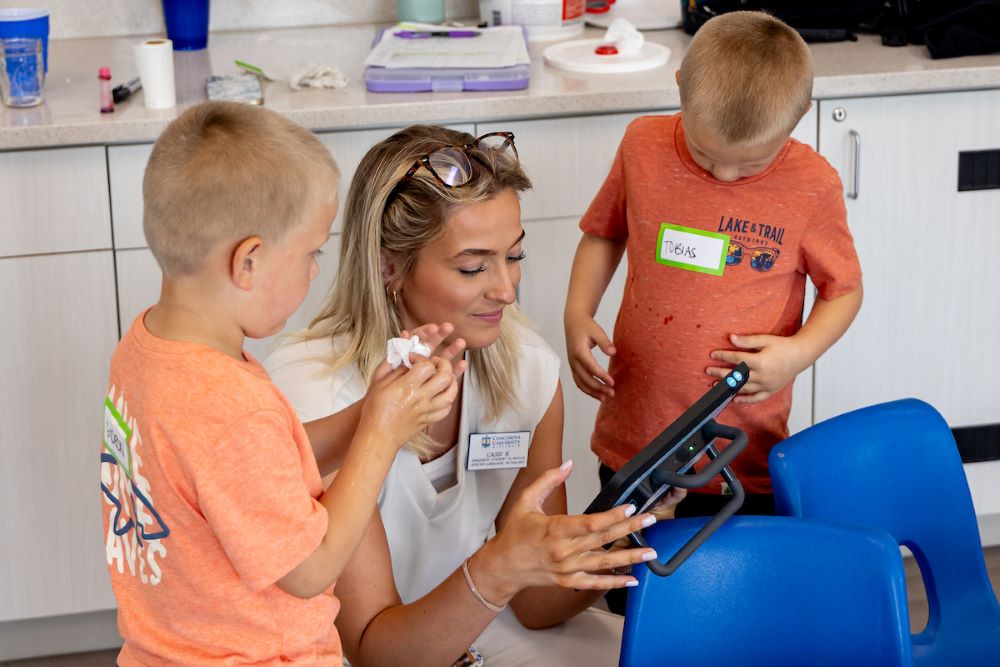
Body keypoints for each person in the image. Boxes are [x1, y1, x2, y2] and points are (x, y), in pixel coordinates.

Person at [267, 125, 677, 667]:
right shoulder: (312, 394)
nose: (506, 290)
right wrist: (497, 569)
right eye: (472, 267)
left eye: (515, 256)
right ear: (389, 265)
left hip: (478, 620)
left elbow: (535, 605)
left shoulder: (528, 370)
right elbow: (371, 651)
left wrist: (621, 535)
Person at [100, 102, 461, 666]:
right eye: (311, 252)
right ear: (248, 261)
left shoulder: (148, 349)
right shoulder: (229, 407)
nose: (315, 270)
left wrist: (373, 409)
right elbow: (311, 567)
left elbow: (256, 467)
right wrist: (381, 438)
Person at [565, 12, 863, 539]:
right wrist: (577, 311)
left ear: (800, 116)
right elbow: (605, 233)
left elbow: (844, 292)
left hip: (742, 448)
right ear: (680, 87)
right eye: (704, 153)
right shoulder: (643, 146)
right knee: (627, 575)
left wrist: (797, 354)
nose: (723, 174)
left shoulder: (813, 184)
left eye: (750, 165)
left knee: (735, 581)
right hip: (636, 435)